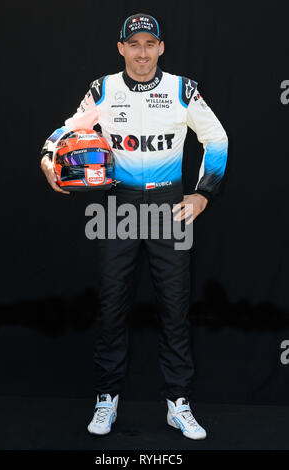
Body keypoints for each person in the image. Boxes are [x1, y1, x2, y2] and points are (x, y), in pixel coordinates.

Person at [40, 13, 228, 440]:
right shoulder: (103, 89)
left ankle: (177, 402)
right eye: (134, 44)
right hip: (118, 205)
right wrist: (47, 156)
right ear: (121, 47)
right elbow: (70, 128)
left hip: (168, 205)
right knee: (111, 305)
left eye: (150, 44)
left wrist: (203, 194)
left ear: (161, 48)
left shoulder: (183, 89)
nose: (142, 53)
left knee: (176, 308)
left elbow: (216, 139)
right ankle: (106, 397)